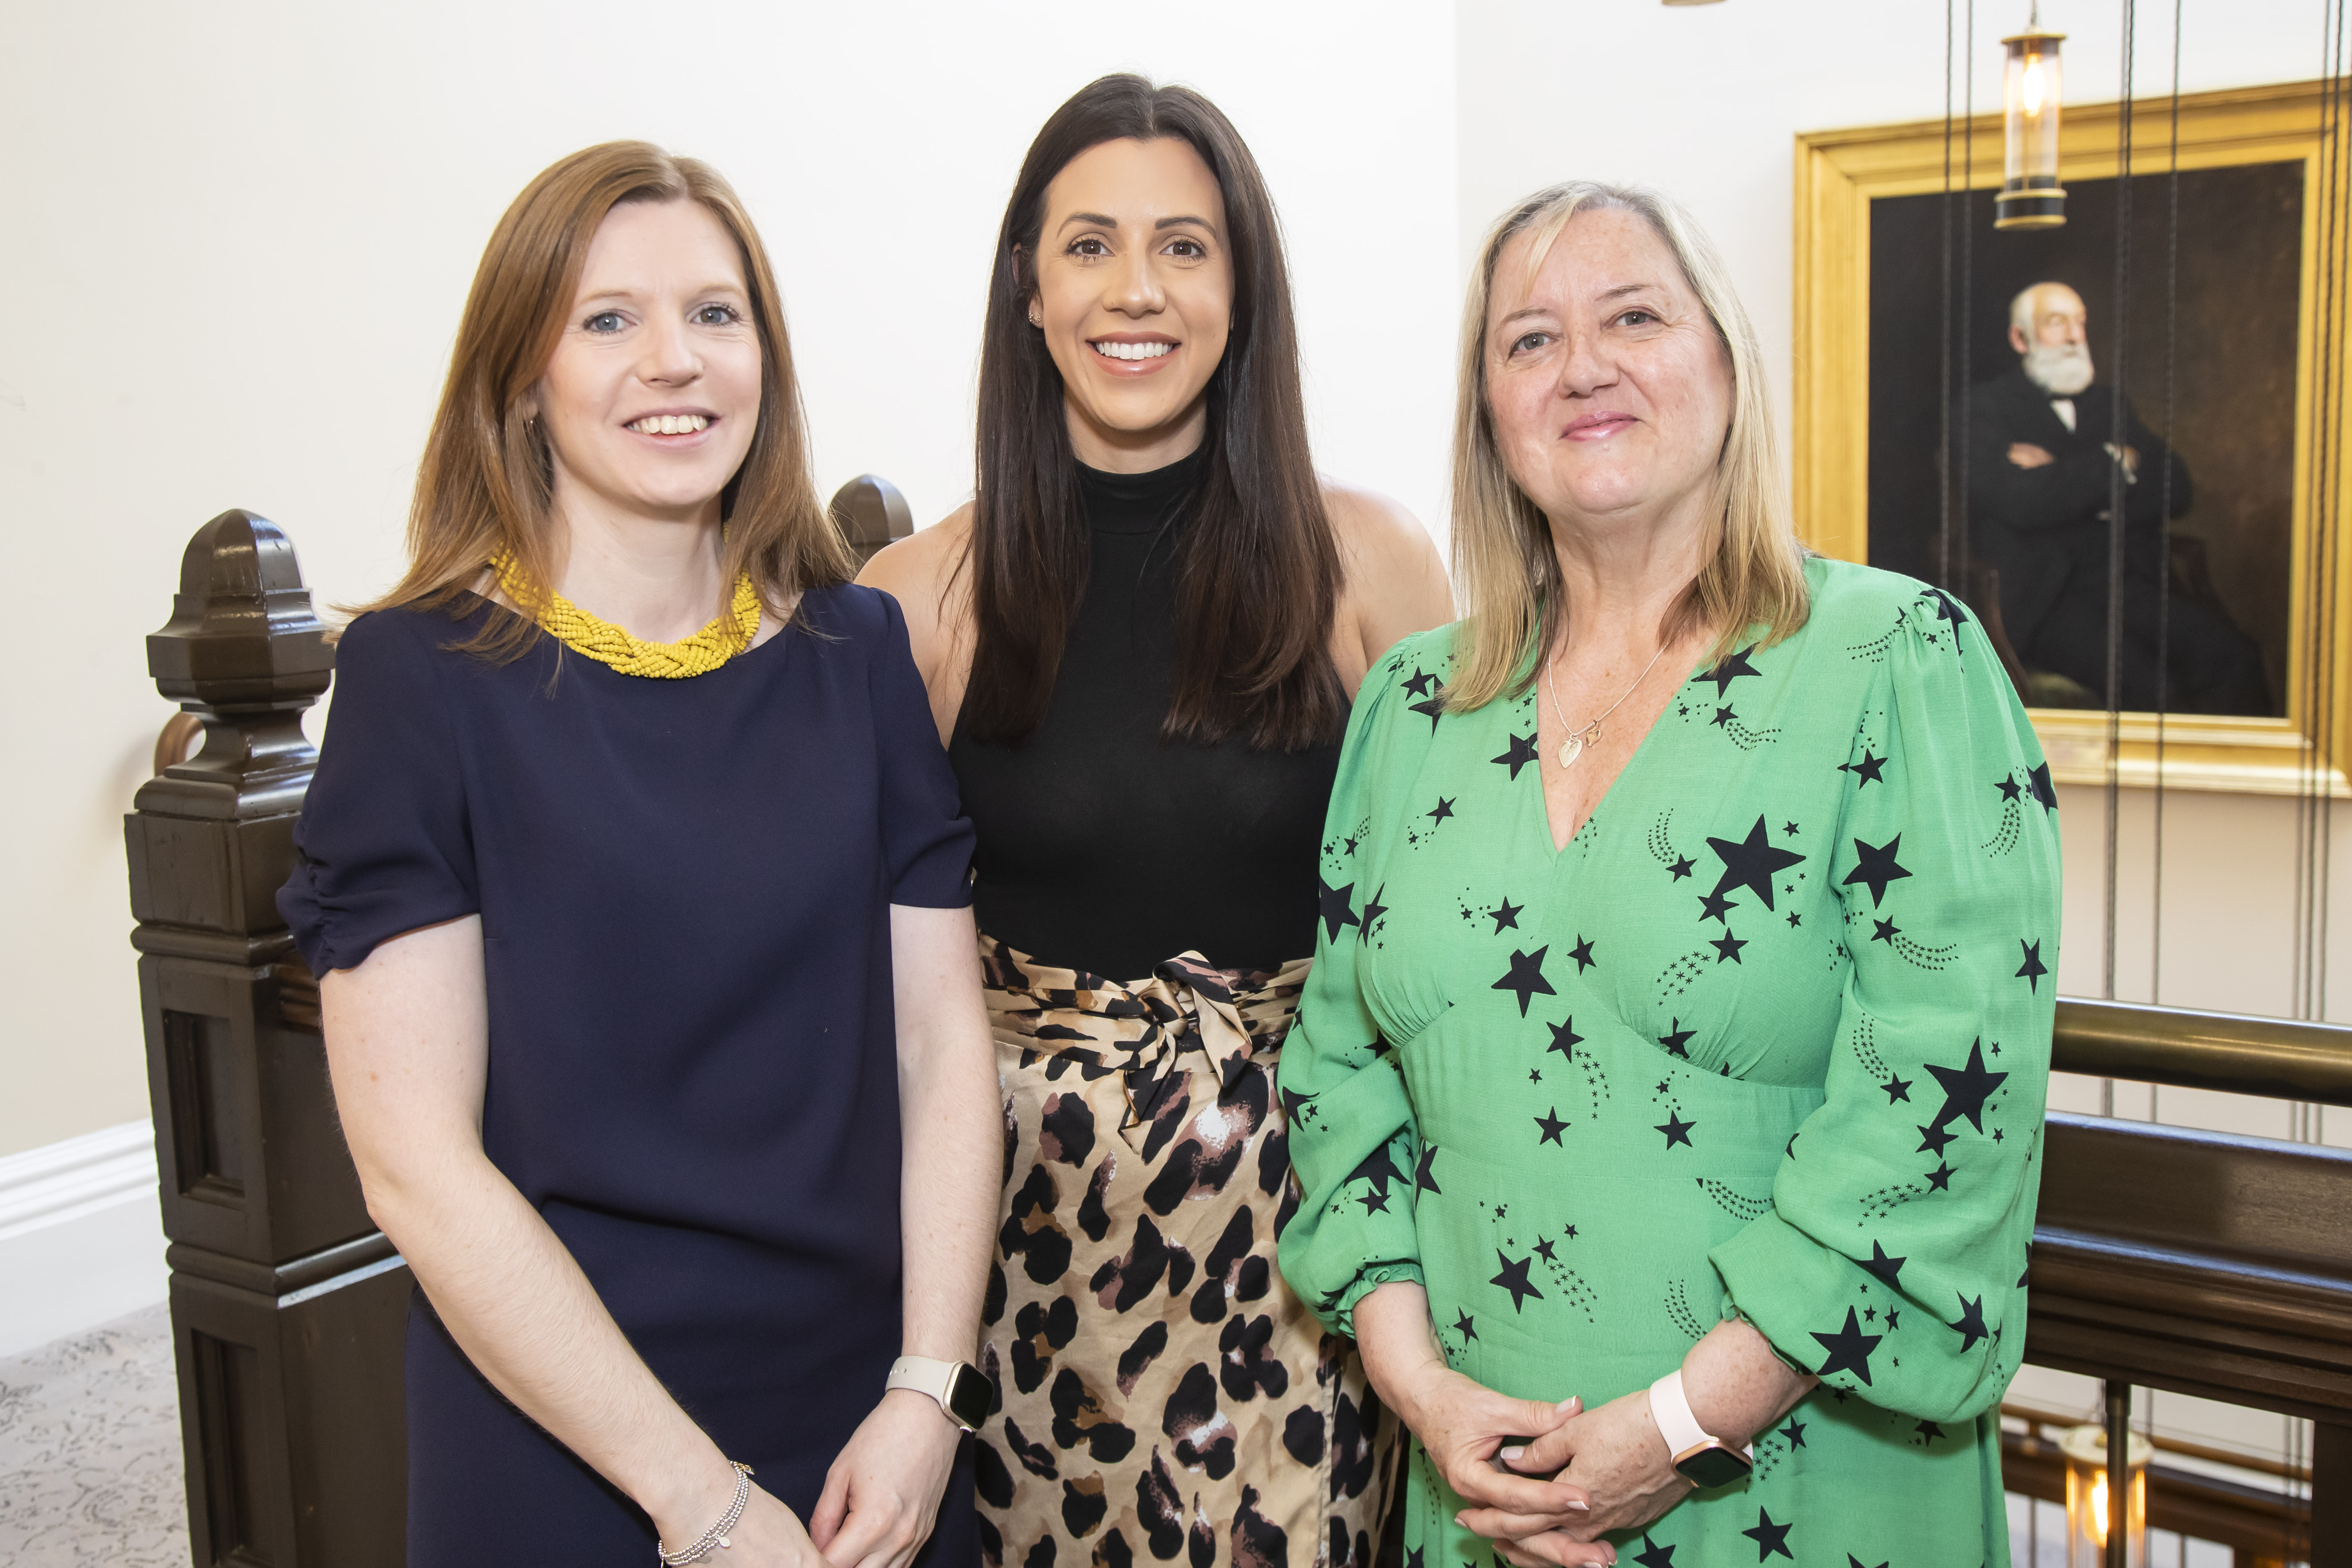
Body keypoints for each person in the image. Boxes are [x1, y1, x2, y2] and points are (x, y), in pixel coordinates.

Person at [1278, 182, 2061, 1567]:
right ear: (1487, 413)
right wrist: (1423, 1394)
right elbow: (1339, 1079)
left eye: (1633, 315)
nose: (1583, 366)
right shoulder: (1412, 705)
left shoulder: (1896, 660)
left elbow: (1948, 1097)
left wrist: (1684, 1424)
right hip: (1488, 1497)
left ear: (1724, 357)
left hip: (1806, 1485)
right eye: (1528, 340)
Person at [278, 142, 1000, 1568]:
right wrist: (700, 1501)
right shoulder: (419, 683)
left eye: (715, 315)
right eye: (608, 320)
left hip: (872, 1429)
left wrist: (930, 1390)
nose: (673, 361)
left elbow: (939, 1045)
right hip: (570, 1428)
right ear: (519, 375)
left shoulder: (860, 657)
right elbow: (416, 1165)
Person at [861, 74, 1452, 1568]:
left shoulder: (1367, 565)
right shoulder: (919, 600)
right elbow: (865, 984)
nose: (1139, 290)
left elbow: (1453, 933)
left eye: (1187, 247)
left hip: (1311, 1260)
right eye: (1091, 246)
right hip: (1021, 1259)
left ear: (1243, 289)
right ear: (1029, 289)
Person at [1969, 280, 2269, 713]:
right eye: (2057, 323)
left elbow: (2177, 489)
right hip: (2048, 597)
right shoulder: (1984, 408)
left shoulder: (2108, 406)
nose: (2075, 336)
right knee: (2151, 688)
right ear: (2020, 338)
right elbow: (2021, 503)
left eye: (2081, 323)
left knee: (2233, 659)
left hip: (2128, 582)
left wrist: (2061, 475)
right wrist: (2116, 464)